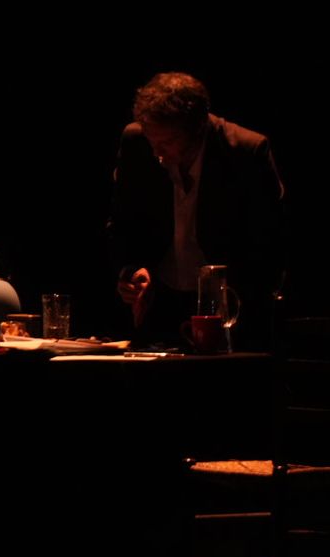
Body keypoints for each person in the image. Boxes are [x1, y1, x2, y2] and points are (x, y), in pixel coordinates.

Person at [107, 71, 285, 349]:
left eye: (167, 142)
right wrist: (133, 269)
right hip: (160, 301)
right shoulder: (137, 142)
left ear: (197, 128)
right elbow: (122, 223)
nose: (158, 153)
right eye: (153, 140)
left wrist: (235, 305)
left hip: (227, 309)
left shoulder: (245, 152)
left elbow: (269, 244)